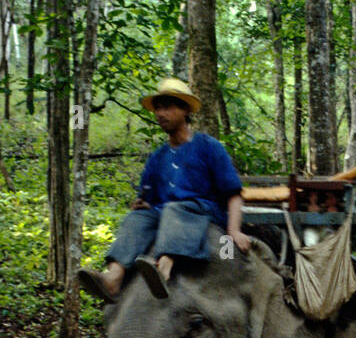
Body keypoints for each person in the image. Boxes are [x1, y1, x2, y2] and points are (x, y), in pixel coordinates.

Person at [79, 77, 251, 301]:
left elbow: (233, 194)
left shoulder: (208, 147)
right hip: (166, 213)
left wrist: (234, 231)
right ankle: (113, 277)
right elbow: (150, 200)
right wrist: (143, 205)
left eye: (168, 107)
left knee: (174, 208)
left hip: (202, 212)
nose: (160, 113)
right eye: (158, 108)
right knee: (137, 218)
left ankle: (164, 268)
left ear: (185, 110)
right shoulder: (158, 157)